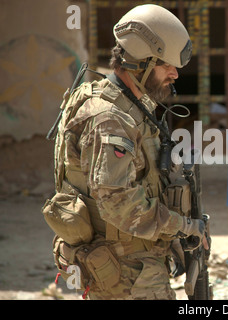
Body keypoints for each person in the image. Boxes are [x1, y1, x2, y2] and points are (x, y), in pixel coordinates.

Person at [49, 4, 206, 300]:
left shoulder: (131, 107)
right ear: (140, 64)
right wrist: (184, 227)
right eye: (165, 65)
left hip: (134, 264)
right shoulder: (109, 118)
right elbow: (118, 205)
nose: (174, 73)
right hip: (123, 272)